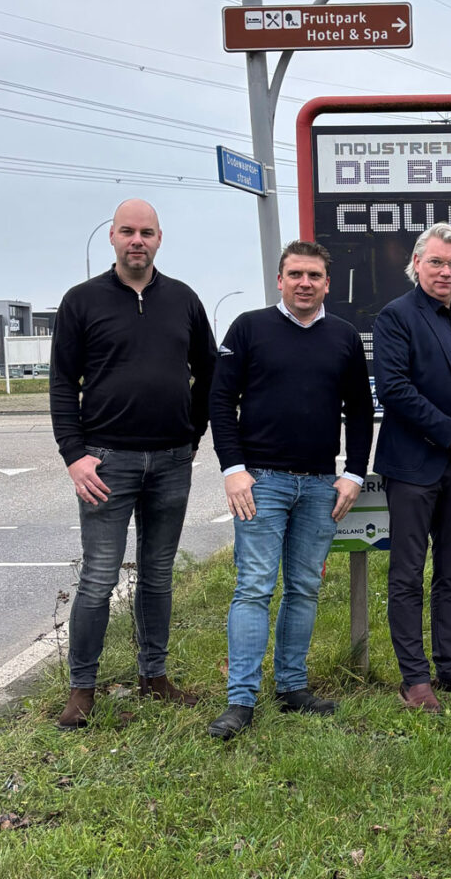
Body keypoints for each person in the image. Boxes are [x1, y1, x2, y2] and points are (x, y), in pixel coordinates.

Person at [50, 199, 216, 729]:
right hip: (105, 463)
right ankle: (82, 688)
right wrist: (74, 455)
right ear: (113, 237)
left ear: (159, 238)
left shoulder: (184, 300)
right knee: (99, 577)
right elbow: (61, 384)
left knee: (158, 575)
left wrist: (193, 434)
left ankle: (154, 677)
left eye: (146, 232)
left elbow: (210, 372)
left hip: (172, 460)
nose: (137, 240)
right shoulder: (81, 301)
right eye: (127, 231)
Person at [206, 241, 374, 739]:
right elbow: (220, 400)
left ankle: (292, 687)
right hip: (260, 482)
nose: (305, 283)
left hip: (322, 485)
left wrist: (354, 473)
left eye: (314, 275)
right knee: (254, 587)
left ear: (327, 284)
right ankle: (241, 700)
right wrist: (233, 468)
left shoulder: (344, 337)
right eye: (295, 274)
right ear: (280, 280)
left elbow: (360, 410)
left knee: (304, 587)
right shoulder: (248, 328)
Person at [373, 222, 451, 714]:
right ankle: (414, 680)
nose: (446, 271)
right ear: (417, 264)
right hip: (413, 466)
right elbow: (394, 389)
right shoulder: (395, 316)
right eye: (437, 262)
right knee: (407, 576)